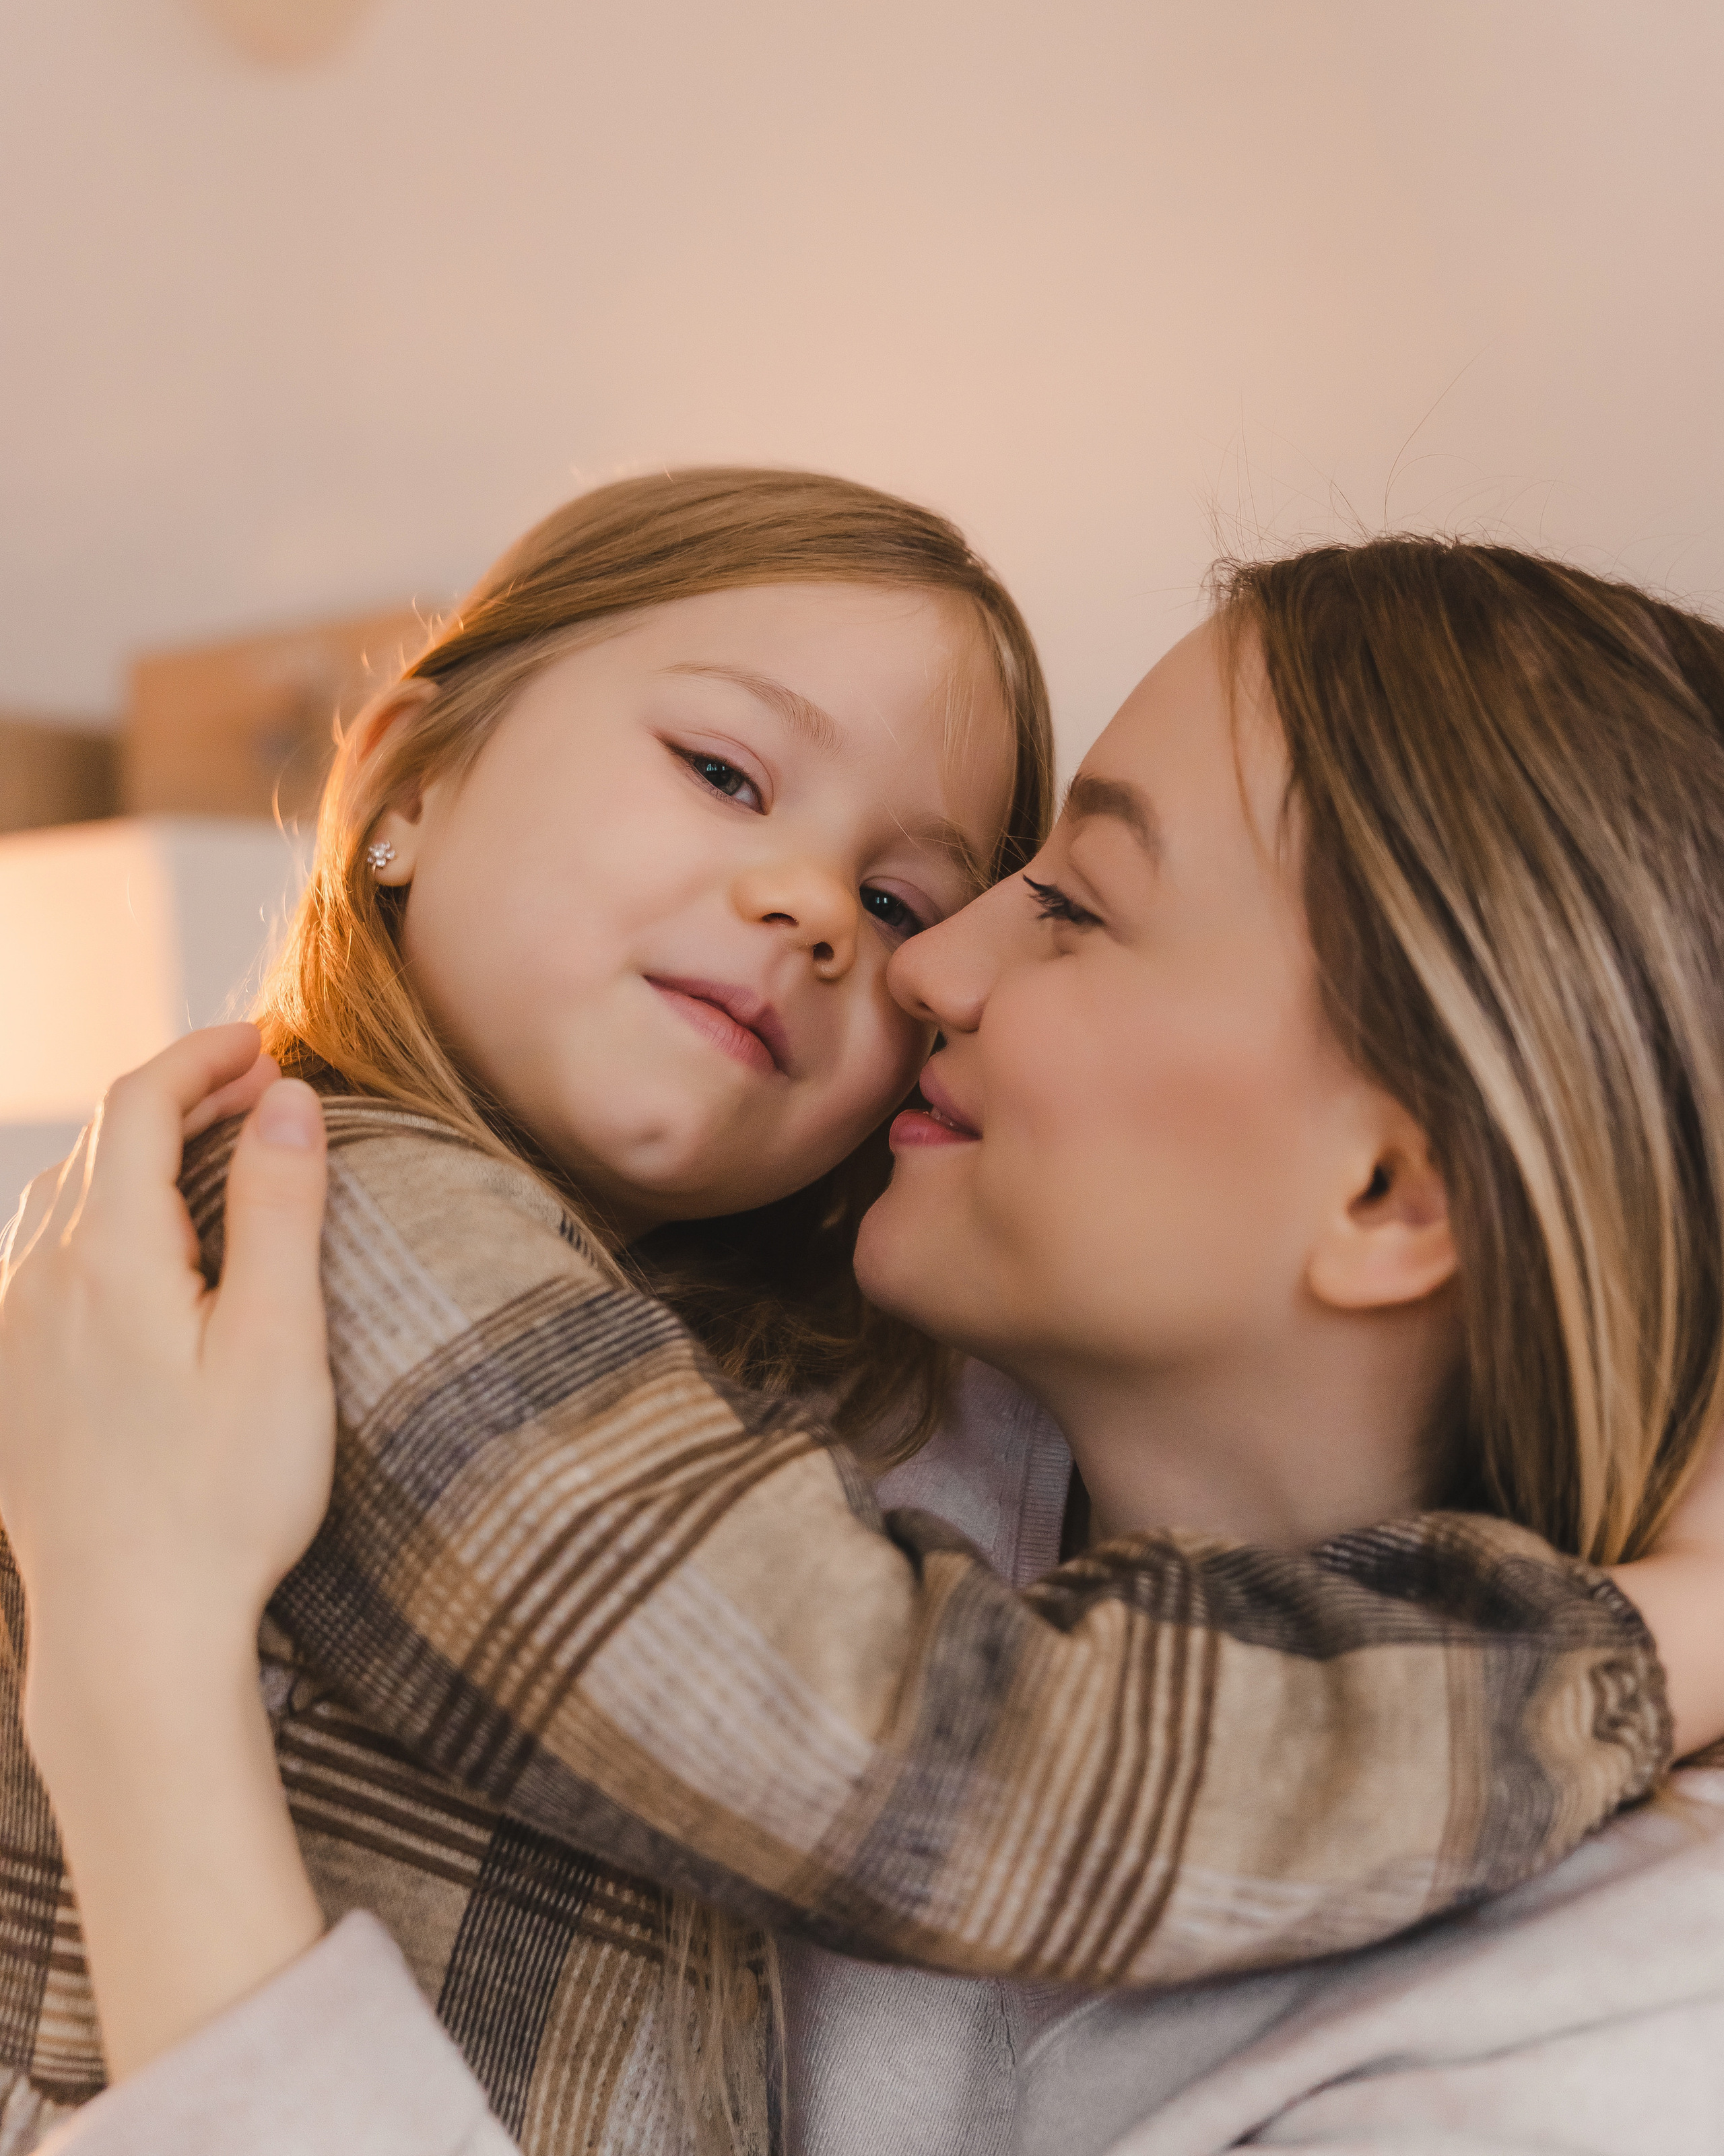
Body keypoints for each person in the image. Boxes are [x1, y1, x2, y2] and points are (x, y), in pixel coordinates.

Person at [5, 525, 1724, 2156]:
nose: (907, 970)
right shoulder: (378, 1226)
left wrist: (137, 1671)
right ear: (405, 778)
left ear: (1388, 1191)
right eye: (724, 773)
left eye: (1061, 905)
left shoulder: (1616, 2027)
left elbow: (962, 1751)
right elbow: (889, 1734)